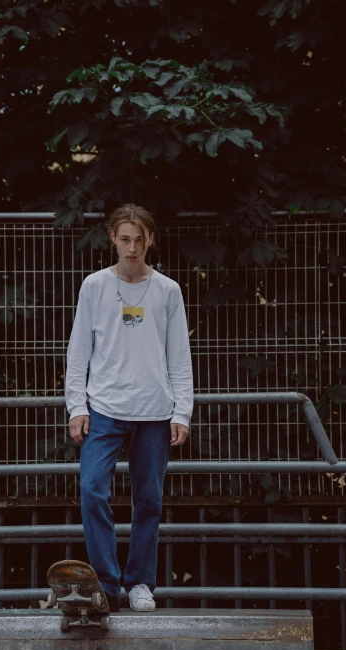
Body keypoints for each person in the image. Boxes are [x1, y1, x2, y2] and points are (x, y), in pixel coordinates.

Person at [65, 203, 194, 612]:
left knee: (149, 500)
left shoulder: (168, 291)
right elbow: (78, 351)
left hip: (155, 412)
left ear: (151, 239)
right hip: (103, 408)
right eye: (125, 239)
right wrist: (76, 406)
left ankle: (140, 582)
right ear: (112, 239)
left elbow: (179, 357)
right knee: (91, 491)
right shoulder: (95, 286)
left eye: (140, 239)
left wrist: (182, 412)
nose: (132, 247)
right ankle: (106, 583)